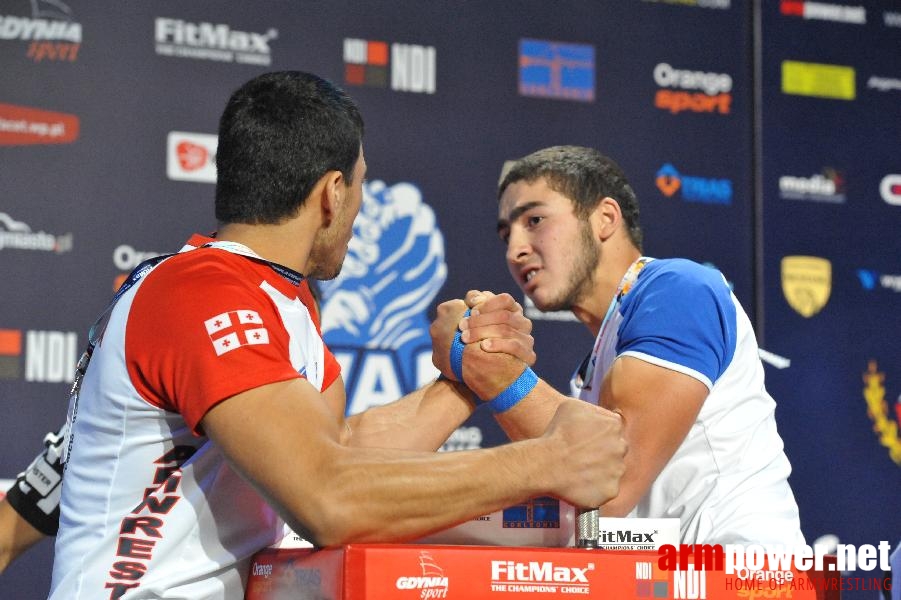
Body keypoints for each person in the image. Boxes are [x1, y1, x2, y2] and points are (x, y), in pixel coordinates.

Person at [48, 74, 626, 599]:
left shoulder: (278, 299)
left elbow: (338, 452)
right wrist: (546, 462)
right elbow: (327, 496)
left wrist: (465, 374)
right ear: (332, 193)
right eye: (360, 188)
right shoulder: (199, 292)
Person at [447, 145, 804, 545]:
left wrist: (491, 366)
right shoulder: (591, 371)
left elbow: (609, 486)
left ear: (605, 218)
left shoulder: (678, 290)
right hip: (677, 577)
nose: (515, 250)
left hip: (746, 579)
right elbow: (590, 521)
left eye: (535, 220)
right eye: (506, 235)